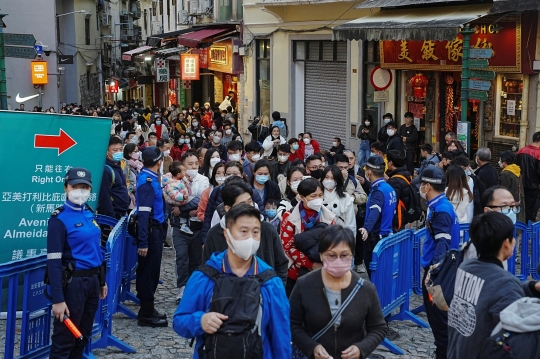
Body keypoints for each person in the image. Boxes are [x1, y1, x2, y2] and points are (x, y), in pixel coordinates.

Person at [173, 204, 291, 359]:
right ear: (227, 234)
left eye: (255, 232)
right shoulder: (205, 276)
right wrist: (200, 320)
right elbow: (179, 321)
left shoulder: (270, 282)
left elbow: (281, 337)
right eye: (243, 231)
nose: (250, 238)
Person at [447, 211, 540, 359]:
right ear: (506, 244)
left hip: (457, 350)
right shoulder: (505, 284)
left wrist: (532, 287)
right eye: (512, 238)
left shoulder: (467, 266)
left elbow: (491, 290)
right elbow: (515, 330)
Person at [290, 225, 387, 359]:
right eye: (331, 255)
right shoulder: (304, 285)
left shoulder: (366, 289)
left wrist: (361, 348)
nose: (338, 260)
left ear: (352, 255)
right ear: (321, 255)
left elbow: (379, 328)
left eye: (344, 255)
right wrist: (311, 347)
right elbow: (292, 324)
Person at [47, 168, 108, 358]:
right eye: (75, 186)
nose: (80, 191)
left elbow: (95, 249)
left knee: (82, 337)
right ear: (66, 187)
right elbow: (54, 262)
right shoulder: (59, 219)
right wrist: (58, 299)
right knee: (65, 340)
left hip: (91, 282)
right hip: (73, 285)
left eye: (84, 187)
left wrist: (101, 280)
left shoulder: (88, 212)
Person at [202, 181, 289, 283]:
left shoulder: (268, 230)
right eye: (242, 204)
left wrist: (275, 289)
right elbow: (207, 269)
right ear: (228, 208)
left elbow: (281, 265)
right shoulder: (215, 233)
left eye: (250, 201)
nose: (249, 207)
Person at [419, 166, 460, 359]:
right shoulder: (438, 204)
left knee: (440, 322)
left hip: (438, 275)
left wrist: (432, 273)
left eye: (421, 184)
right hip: (441, 271)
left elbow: (442, 243)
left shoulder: (441, 210)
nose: (420, 187)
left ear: (427, 186)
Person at [280, 178, 336, 296]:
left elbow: (333, 243)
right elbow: (288, 247)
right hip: (295, 272)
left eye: (320, 195)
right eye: (313, 196)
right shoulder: (289, 217)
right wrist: (311, 265)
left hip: (323, 270)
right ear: (301, 197)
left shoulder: (329, 217)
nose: (318, 199)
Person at [170, 151, 210, 304]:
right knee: (181, 256)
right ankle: (182, 286)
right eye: (189, 164)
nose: (193, 167)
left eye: (195, 164)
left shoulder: (203, 180)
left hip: (197, 225)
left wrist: (182, 208)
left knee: (196, 259)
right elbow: (170, 197)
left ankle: (193, 288)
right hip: (179, 226)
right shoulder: (175, 179)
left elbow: (200, 200)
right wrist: (182, 208)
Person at [135, 147, 168, 327]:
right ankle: (146, 313)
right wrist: (143, 242)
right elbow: (143, 215)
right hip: (150, 230)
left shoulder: (149, 177)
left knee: (149, 271)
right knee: (150, 272)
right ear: (159, 162)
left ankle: (147, 308)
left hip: (154, 229)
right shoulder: (147, 182)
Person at [358, 156, 396, 276]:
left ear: (369, 172)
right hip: (387, 234)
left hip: (376, 237)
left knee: (376, 274)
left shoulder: (378, 191)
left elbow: (375, 211)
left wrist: (366, 228)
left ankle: (377, 295)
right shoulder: (388, 188)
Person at [98, 136, 130, 220]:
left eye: (120, 149)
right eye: (115, 150)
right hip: (113, 217)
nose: (119, 152)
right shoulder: (106, 171)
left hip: (122, 213)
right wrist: (111, 219)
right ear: (107, 151)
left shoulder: (118, 165)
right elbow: (104, 197)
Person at [321, 166, 356, 234]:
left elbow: (351, 223)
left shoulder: (345, 198)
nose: (329, 180)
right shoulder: (316, 196)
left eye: (333, 178)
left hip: (340, 236)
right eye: (327, 177)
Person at [386, 150, 414, 230]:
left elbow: (392, 200)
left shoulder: (395, 181)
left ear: (391, 163)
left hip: (398, 217)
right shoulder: (406, 174)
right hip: (404, 213)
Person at [516, 131, 540, 222]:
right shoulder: (538, 154)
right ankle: (528, 230)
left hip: (520, 184)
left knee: (520, 207)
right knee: (531, 210)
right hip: (533, 186)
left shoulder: (521, 150)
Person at [163, 162, 192, 234]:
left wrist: (189, 180)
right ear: (178, 174)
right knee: (179, 213)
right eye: (184, 170)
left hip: (182, 198)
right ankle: (183, 225)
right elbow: (174, 194)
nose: (186, 172)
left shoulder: (180, 178)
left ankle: (184, 224)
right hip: (176, 201)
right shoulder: (171, 184)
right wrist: (182, 197)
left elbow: (185, 182)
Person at [499, 150, 526, 223]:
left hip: (509, 204)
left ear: (504, 162)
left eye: (500, 160)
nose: (499, 162)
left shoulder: (506, 174)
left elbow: (503, 191)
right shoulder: (517, 171)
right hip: (519, 202)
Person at [123, 143, 142, 210]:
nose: (138, 153)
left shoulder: (140, 165)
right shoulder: (124, 165)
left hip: (139, 198)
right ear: (129, 153)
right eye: (135, 151)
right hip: (130, 199)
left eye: (138, 151)